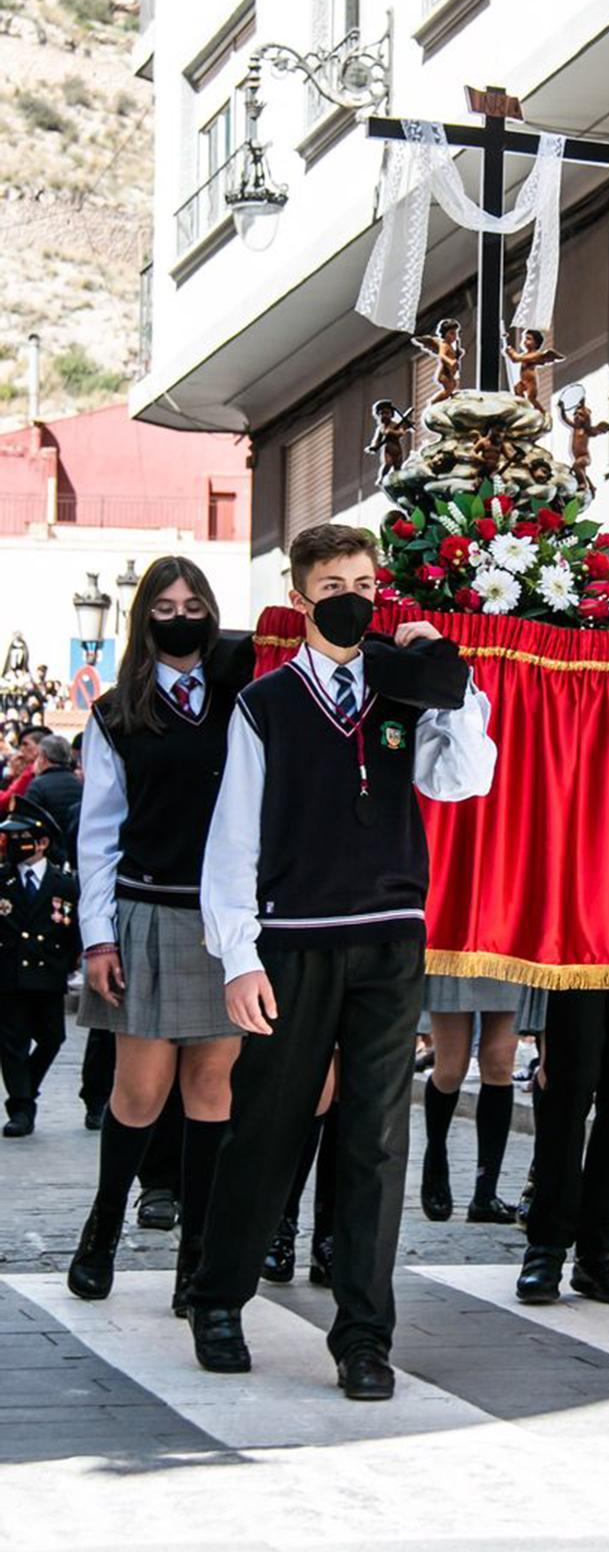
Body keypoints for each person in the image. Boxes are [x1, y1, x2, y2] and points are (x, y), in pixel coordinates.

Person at [189, 522, 496, 1401]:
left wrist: (451, 680)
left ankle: (364, 1336)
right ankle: (218, 1298)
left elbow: (464, 779)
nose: (352, 600)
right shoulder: (267, 704)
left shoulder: (402, 692)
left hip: (391, 937)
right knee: (268, 1126)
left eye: (363, 585)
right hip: (294, 940)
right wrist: (239, 957)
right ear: (301, 598)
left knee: (376, 1140)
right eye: (333, 588)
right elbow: (233, 839)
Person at [67, 556, 253, 1316]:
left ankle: (196, 1259)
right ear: (144, 617)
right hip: (145, 911)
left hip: (225, 919)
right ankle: (103, 1229)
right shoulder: (116, 713)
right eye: (166, 607)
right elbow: (98, 836)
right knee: (140, 1091)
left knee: (212, 1089)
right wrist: (98, 939)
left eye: (194, 604)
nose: (182, 618)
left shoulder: (245, 698)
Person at [0, 804, 80, 1137]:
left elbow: (74, 931)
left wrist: (73, 962)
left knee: (52, 1038)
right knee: (12, 1043)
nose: (13, 844)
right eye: (10, 837)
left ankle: (26, 1089)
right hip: (10, 973)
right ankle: (21, 1108)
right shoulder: (3, 880)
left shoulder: (63, 884)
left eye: (22, 837)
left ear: (42, 842)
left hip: (48, 973)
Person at [421, 985, 520, 1226]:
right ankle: (435, 1156)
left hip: (506, 963)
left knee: (499, 1064)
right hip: (455, 963)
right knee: (451, 1071)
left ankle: (485, 1193)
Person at [24, 734, 82, 867]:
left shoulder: (37, 786)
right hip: (78, 856)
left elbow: (28, 824)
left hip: (49, 860)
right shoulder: (80, 783)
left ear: (43, 757)